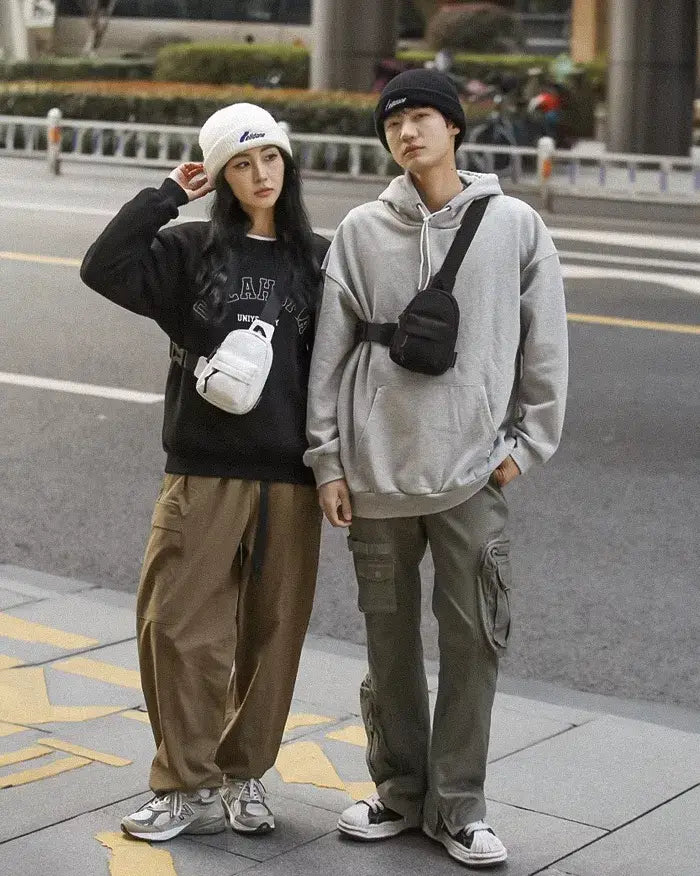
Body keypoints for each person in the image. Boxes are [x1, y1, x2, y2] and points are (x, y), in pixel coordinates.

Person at [304, 69, 568, 869]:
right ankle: (400, 793)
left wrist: (525, 449)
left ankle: (459, 807)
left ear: (455, 128)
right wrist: (327, 460)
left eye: (421, 117)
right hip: (376, 475)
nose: (407, 132)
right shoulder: (360, 229)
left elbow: (546, 344)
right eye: (394, 121)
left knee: (473, 641)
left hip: (471, 476)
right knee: (388, 644)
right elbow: (330, 351)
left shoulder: (514, 223)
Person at [81, 103, 329, 841]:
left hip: (292, 476)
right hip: (203, 469)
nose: (261, 175)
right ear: (221, 175)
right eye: (242, 163)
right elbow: (103, 266)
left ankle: (243, 774)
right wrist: (164, 193)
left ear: (289, 165)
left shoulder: (316, 258)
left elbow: (337, 369)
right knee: (178, 627)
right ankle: (181, 783)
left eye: (272, 159)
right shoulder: (191, 250)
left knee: (271, 632)